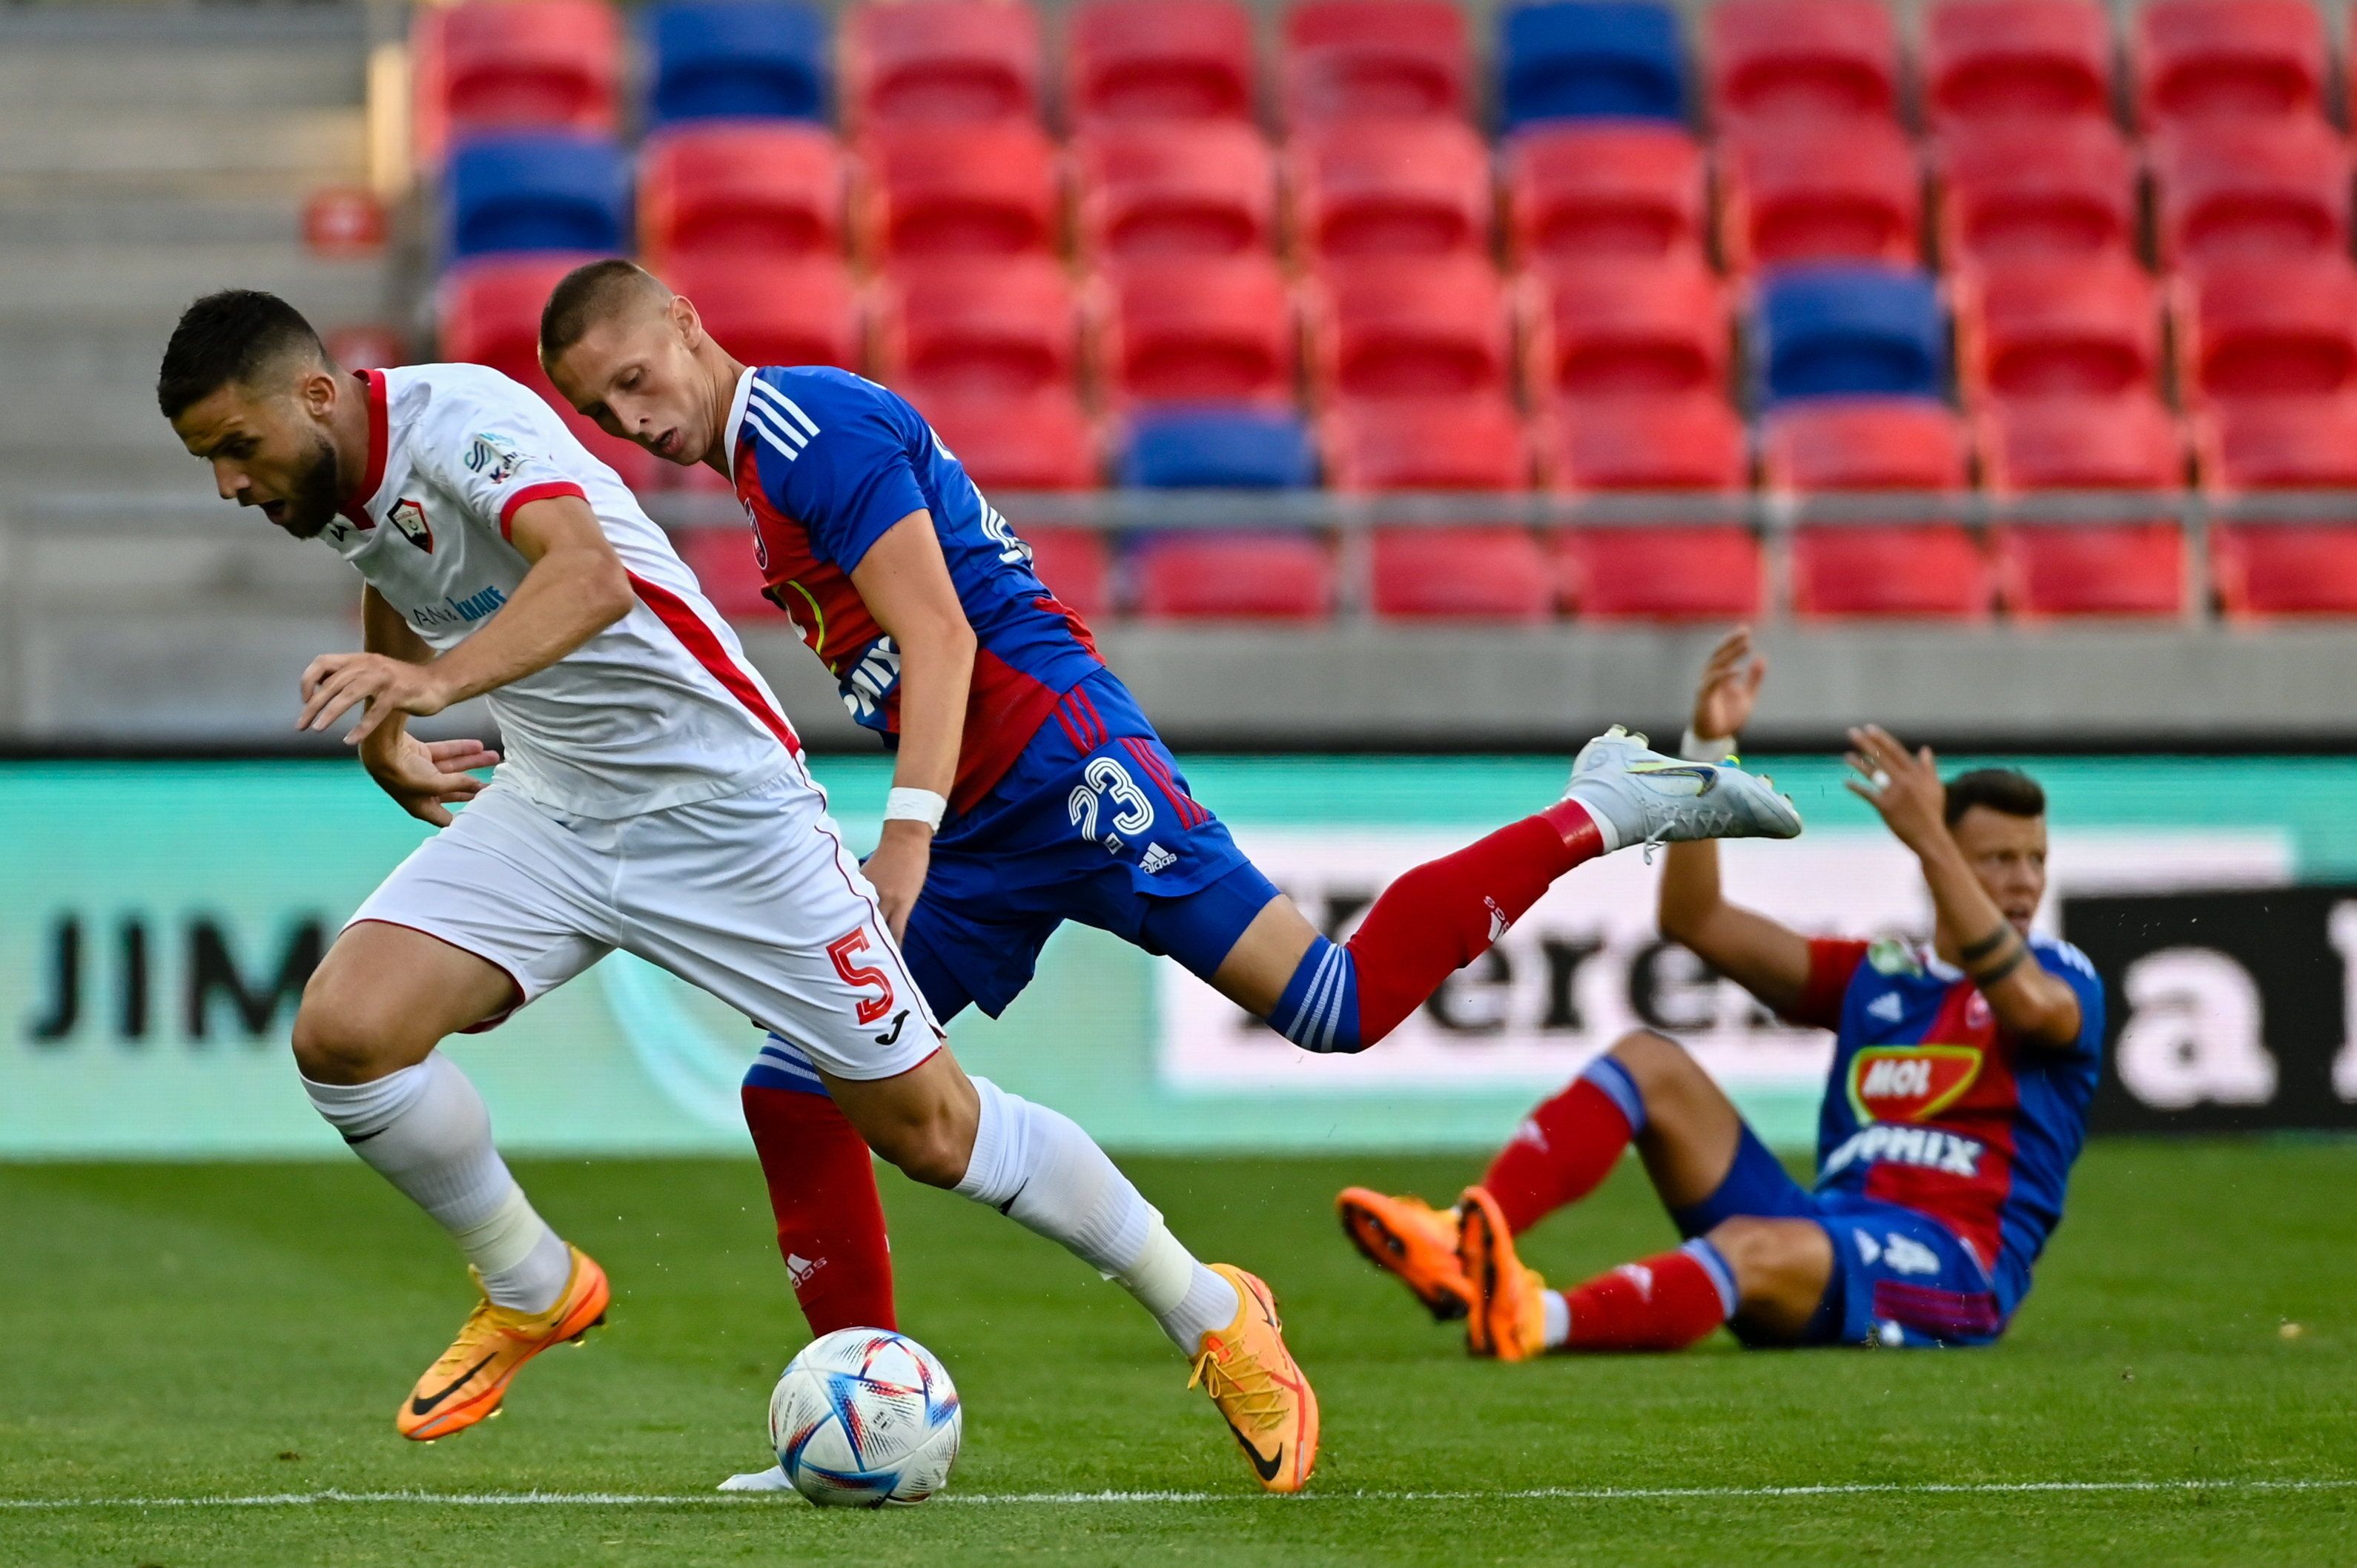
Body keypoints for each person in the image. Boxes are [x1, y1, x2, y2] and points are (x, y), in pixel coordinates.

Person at [534, 259, 1805, 1467]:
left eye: (636, 380)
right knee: (800, 1086)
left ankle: (1601, 807)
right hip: (983, 825)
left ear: (687, 325)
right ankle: (861, 1413)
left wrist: (905, 831)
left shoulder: (809, 427)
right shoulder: (762, 477)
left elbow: (939, 632)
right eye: (601, 410)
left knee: (1331, 1005)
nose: (630, 419)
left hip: (1060, 765)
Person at [156, 290, 1323, 1492]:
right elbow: (393, 551)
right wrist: (388, 715)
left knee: (930, 1132)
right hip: (556, 807)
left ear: (312, 394)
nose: (230, 486)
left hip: (722, 814)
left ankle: (1216, 1315)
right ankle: (532, 1285)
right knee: (345, 1036)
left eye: (236, 450)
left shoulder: (466, 417)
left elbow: (592, 578)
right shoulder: (338, 480)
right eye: (209, 463)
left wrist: (434, 683)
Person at [1338, 628, 2105, 1357]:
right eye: (1998, 858)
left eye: (2033, 859)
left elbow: (2031, 1012)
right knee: (1649, 1062)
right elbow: (1693, 919)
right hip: (1827, 1229)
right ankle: (1459, 1244)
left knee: (1750, 1246)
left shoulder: (2060, 976)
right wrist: (1704, 754)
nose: (2023, 880)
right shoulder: (1878, 976)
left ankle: (1536, 1319)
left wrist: (1933, 837)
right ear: (1940, 865)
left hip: (1958, 1275)